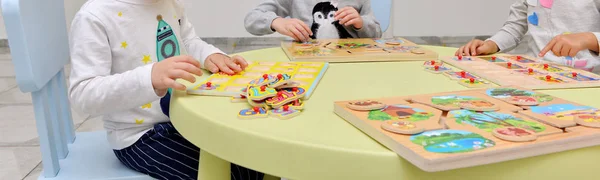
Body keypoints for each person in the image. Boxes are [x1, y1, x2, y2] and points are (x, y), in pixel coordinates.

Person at [68, 0, 263, 179]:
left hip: (185, 118)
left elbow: (188, 40)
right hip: (140, 135)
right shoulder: (94, 17)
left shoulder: (169, 4)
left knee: (256, 160)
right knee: (232, 174)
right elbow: (83, 94)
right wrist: (149, 78)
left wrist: (210, 55)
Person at [455, 0, 600, 73]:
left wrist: (589, 38)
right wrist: (492, 44)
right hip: (536, 74)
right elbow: (515, 25)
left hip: (588, 81)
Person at [244, 0, 382, 41]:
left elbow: (376, 33)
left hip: (351, 63)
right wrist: (277, 22)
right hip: (306, 64)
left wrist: (361, 23)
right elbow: (251, 19)